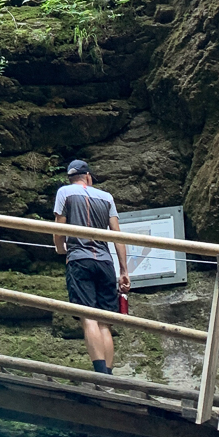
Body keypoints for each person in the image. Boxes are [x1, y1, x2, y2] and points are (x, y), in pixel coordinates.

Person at [53, 159, 129, 374]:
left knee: (89, 317)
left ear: (71, 178)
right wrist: (124, 271)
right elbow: (117, 236)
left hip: (79, 259)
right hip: (105, 262)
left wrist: (62, 249)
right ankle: (110, 377)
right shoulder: (107, 197)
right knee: (105, 321)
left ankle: (100, 374)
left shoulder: (64, 193)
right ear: (88, 176)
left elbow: (58, 230)